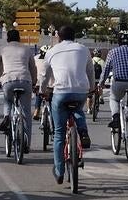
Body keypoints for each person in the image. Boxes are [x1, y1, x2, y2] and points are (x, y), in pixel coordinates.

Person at [38, 26, 94, 184]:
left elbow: (44, 74)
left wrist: (43, 91)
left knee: (59, 134)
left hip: (61, 92)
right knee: (78, 110)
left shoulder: (52, 51)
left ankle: (59, 171)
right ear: (74, 37)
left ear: (58, 37)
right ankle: (83, 131)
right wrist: (91, 88)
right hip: (80, 91)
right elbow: (90, 71)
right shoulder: (83, 49)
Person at [0, 29, 37, 153]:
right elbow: (33, 67)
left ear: (8, 39)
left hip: (8, 80)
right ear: (19, 38)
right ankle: (26, 144)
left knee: (8, 101)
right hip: (25, 80)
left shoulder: (3, 48)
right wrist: (34, 81)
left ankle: (6, 117)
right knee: (26, 113)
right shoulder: (26, 49)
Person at [99, 30, 128, 134]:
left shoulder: (113, 52)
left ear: (118, 41)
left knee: (114, 99)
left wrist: (101, 83)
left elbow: (106, 69)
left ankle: (116, 119)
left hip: (119, 82)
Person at [32, 45, 51, 120]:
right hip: (51, 84)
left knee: (38, 93)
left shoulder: (35, 58)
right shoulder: (52, 59)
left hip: (38, 81)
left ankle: (37, 110)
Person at [86, 48, 105, 113]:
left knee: (89, 96)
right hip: (99, 79)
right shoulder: (102, 61)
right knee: (100, 86)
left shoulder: (90, 60)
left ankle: (89, 109)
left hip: (91, 80)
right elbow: (104, 72)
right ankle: (101, 97)